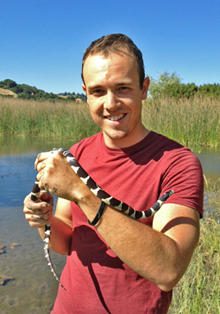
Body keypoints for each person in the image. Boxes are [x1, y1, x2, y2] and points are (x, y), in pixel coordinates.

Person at [23, 33, 203, 314]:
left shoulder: (178, 163)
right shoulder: (76, 154)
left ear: (144, 88)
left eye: (123, 88)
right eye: (97, 91)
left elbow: (168, 271)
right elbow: (65, 242)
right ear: (85, 93)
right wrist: (42, 220)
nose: (110, 103)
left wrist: (82, 193)